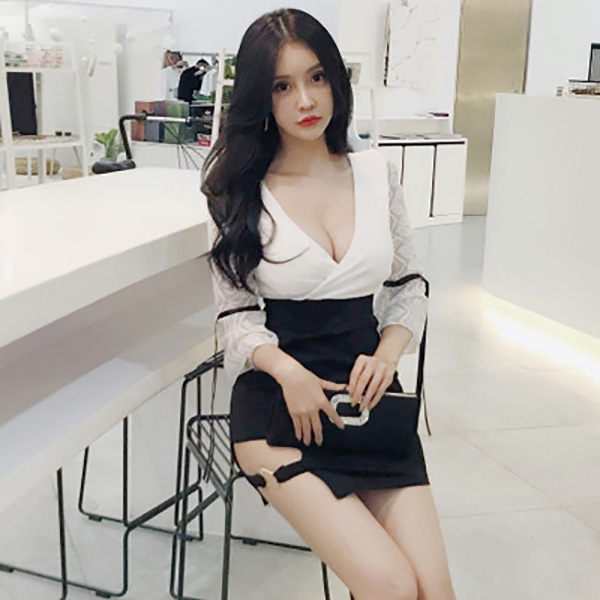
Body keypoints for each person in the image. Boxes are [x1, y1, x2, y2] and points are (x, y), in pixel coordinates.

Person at [202, 8, 456, 600]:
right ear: (261, 98)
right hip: (279, 409)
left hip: (368, 404)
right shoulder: (235, 193)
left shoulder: (375, 172)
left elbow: (408, 283)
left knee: (434, 592)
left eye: (317, 77)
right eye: (282, 86)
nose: (305, 100)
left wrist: (389, 352)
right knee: (390, 585)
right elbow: (235, 316)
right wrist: (287, 372)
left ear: (336, 80)